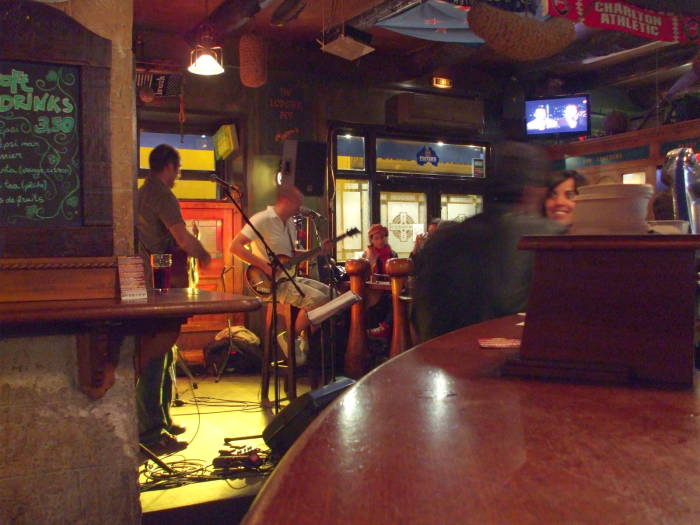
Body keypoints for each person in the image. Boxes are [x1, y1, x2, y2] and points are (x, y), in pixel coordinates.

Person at [413, 141, 564, 341]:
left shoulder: (445, 238)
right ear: (532, 191)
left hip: (438, 360)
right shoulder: (546, 238)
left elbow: (419, 316)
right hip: (502, 365)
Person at [136, 143, 212, 455]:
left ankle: (162, 419)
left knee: (166, 350)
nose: (178, 175)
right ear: (168, 166)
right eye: (178, 169)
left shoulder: (143, 191)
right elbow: (181, 238)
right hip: (157, 283)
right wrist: (204, 254)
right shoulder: (162, 194)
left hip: (149, 281)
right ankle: (152, 431)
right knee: (157, 353)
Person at [230, 184, 330, 367]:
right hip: (270, 283)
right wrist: (264, 266)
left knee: (331, 295)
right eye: (297, 203)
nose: (299, 208)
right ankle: (290, 336)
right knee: (317, 299)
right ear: (285, 200)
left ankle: (303, 338)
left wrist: (318, 251)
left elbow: (290, 256)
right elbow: (234, 247)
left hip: (289, 277)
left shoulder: (290, 224)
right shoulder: (262, 219)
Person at [364, 224, 398, 340]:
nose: (380, 241)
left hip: (389, 289)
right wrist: (370, 261)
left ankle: (384, 328)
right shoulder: (368, 254)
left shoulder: (392, 254)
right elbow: (365, 275)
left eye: (382, 237)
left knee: (397, 299)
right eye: (376, 238)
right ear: (371, 240)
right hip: (373, 291)